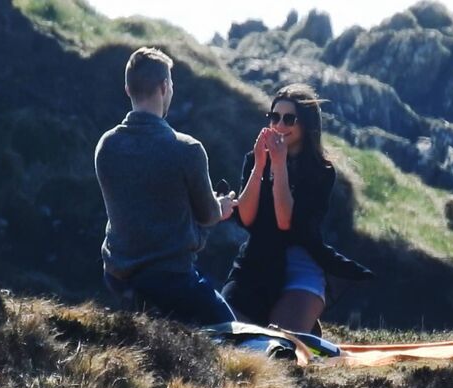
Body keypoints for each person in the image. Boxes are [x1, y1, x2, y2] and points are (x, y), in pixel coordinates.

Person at [95, 47, 238, 325]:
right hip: (170, 279)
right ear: (164, 87)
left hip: (118, 275)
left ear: (127, 89)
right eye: (170, 84)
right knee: (230, 331)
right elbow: (207, 215)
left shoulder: (106, 145)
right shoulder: (187, 149)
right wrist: (220, 207)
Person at [222, 83, 373, 334]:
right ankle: (302, 322)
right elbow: (247, 218)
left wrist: (279, 166)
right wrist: (260, 166)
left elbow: (285, 222)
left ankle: (303, 320)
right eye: (274, 117)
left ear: (305, 125)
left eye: (289, 119)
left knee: (283, 341)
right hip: (258, 260)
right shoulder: (254, 158)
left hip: (300, 260)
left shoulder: (321, 172)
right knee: (232, 335)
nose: (280, 125)